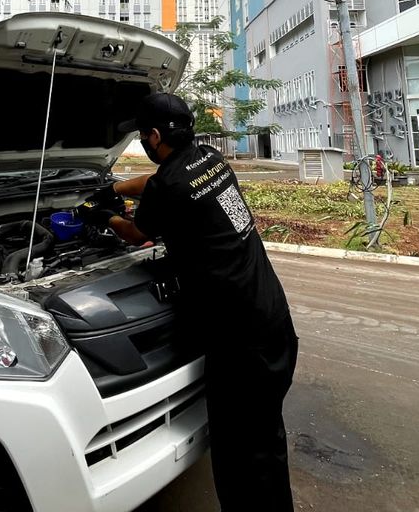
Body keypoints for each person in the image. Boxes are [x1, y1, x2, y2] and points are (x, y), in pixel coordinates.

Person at [83, 92, 298, 512]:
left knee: (238, 457)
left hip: (239, 345)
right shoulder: (210, 161)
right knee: (266, 442)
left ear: (155, 136)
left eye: (144, 136)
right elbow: (158, 181)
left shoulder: (172, 187)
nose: (144, 142)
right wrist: (113, 187)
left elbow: (136, 233)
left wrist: (100, 215)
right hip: (272, 321)